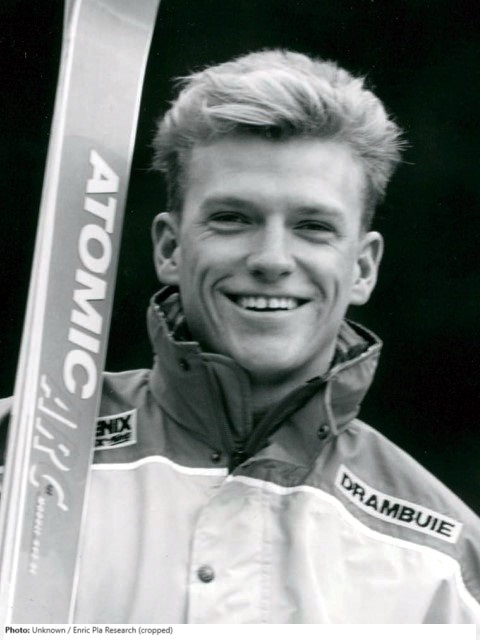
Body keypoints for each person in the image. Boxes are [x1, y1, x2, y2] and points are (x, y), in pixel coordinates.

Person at [3, 49, 480, 624]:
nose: (272, 259)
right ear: (170, 248)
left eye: (313, 227)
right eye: (232, 218)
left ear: (363, 267)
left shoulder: (443, 568)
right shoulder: (18, 457)